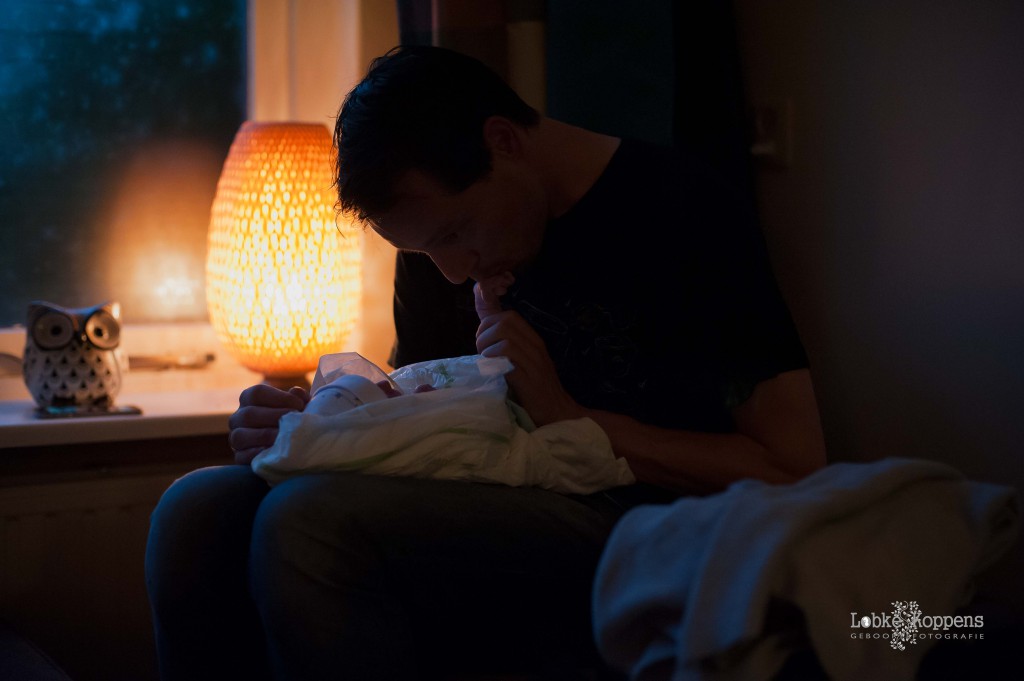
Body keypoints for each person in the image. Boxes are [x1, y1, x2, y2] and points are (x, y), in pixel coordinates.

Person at [145, 45, 826, 680]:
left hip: (639, 516)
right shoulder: (444, 258)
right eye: (422, 253)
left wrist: (573, 418)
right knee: (197, 508)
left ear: (503, 142)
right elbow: (416, 417)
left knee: (308, 519)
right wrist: (325, 424)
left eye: (454, 233)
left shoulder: (683, 211)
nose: (450, 271)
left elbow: (792, 465)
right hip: (488, 486)